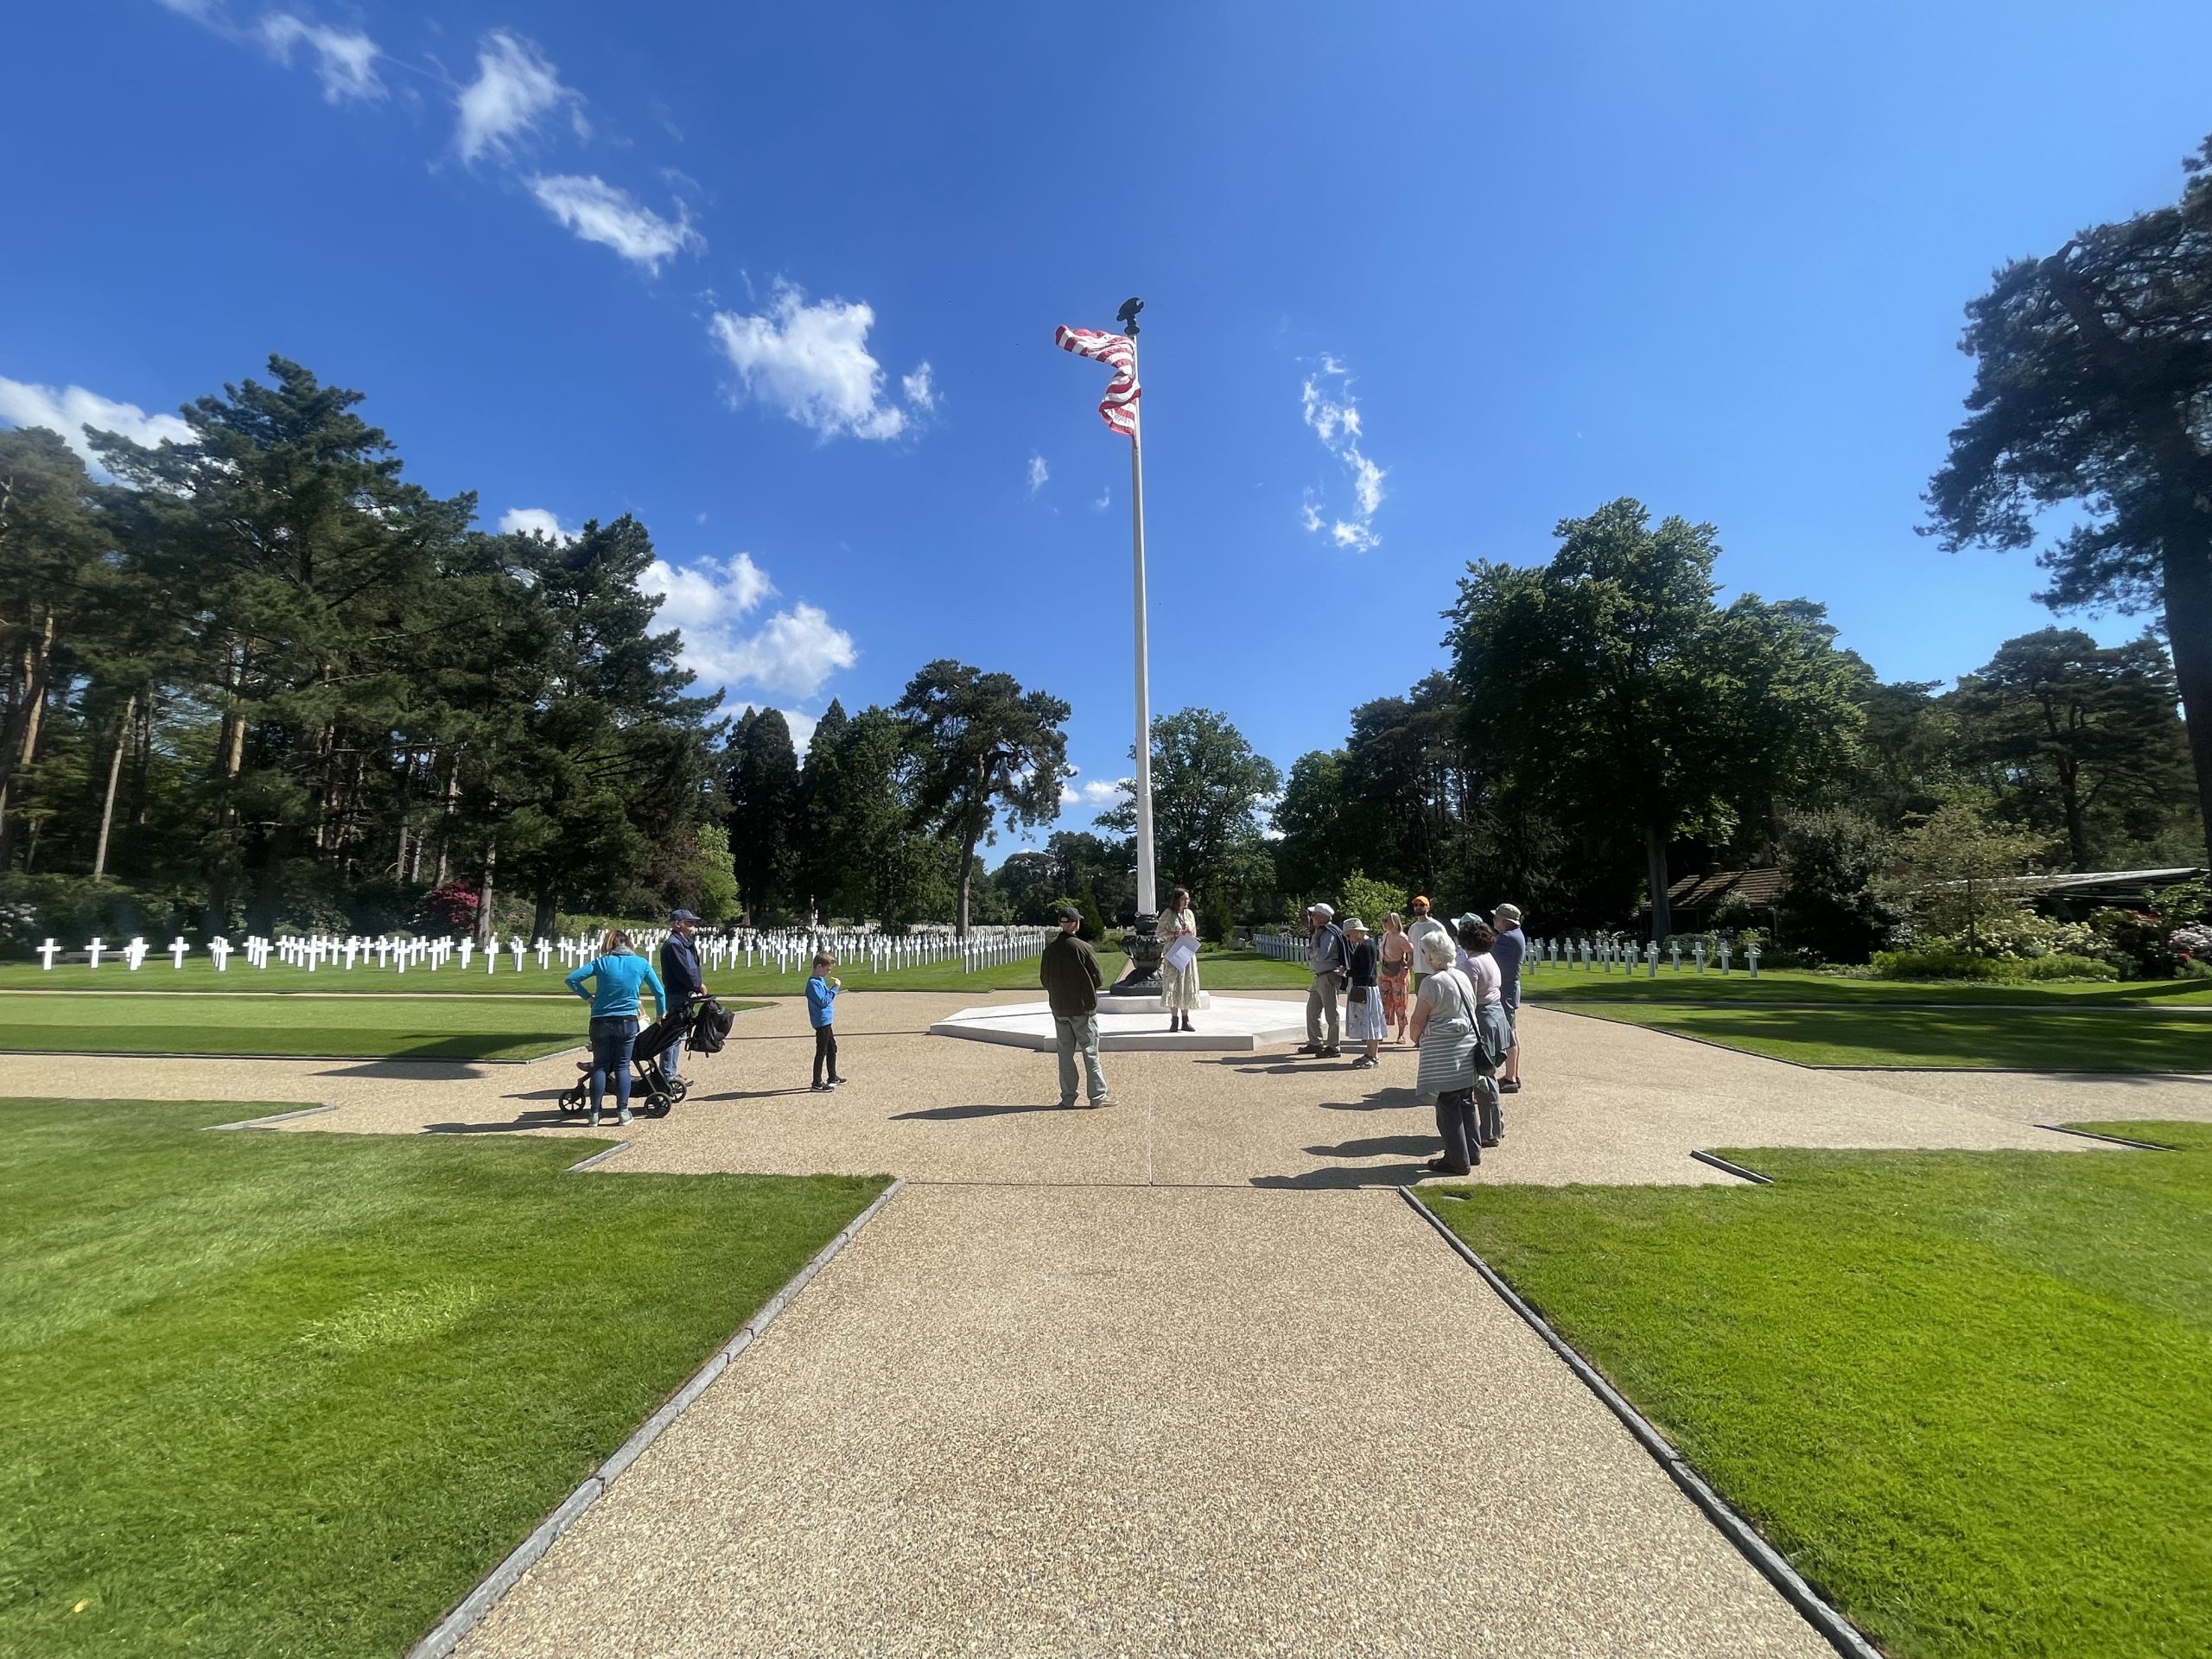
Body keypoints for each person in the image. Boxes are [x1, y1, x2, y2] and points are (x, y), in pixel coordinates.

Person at [563, 928, 667, 1128]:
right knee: (622, 1066)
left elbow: (572, 979)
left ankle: (594, 1113)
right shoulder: (641, 963)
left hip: (600, 1019)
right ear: (628, 944)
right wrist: (660, 1015)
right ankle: (622, 1111)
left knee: (600, 1065)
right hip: (627, 1020)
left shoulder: (601, 963)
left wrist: (589, 998)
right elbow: (659, 992)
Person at [1410, 931, 1481, 1174]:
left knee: (1447, 1106)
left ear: (1430, 957)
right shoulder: (1462, 976)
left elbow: (1418, 1020)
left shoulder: (1432, 983)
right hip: (1467, 1047)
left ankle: (1457, 1160)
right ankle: (1472, 1152)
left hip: (1445, 1053)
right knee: (1465, 1101)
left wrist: (1415, 1036)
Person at [1039, 904, 1111, 1108]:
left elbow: (1045, 979)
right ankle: (1097, 1096)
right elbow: (1098, 978)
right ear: (1076, 924)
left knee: (1065, 1055)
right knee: (1090, 1052)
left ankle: (1068, 1097)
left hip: (1060, 1008)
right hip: (1082, 1008)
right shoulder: (1083, 948)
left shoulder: (1050, 950)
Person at [1458, 917, 1512, 1148]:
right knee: (1488, 1074)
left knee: (1484, 1078)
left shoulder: (1472, 964)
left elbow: (1469, 997)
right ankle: (1497, 1123)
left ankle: (1490, 1132)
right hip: (1497, 1015)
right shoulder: (1489, 958)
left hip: (1483, 1017)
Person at [658, 909, 704, 1085]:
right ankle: (667, 1074)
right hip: (678, 993)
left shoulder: (683, 942)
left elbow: (693, 966)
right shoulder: (673, 945)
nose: (693, 927)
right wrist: (697, 984)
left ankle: (670, 1071)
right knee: (673, 1035)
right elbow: (684, 970)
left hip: (684, 993)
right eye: (689, 923)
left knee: (679, 1035)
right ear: (678, 924)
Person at [1303, 901, 1348, 1058]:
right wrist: (1314, 945)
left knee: (1331, 1012)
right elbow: (1310, 953)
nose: (1312, 917)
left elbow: (1322, 955)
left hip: (1328, 976)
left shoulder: (1328, 933)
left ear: (1321, 917)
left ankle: (1334, 1046)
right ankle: (1315, 1042)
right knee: (1312, 1010)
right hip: (1319, 976)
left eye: (1314, 914)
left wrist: (1315, 940)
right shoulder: (1321, 931)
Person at [1491, 902, 1527, 1093]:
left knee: (1509, 1033)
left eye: (1496, 918)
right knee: (1511, 1031)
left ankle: (1511, 1077)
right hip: (1508, 989)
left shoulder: (1507, 939)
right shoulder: (1512, 936)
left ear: (1505, 921)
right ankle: (1511, 1074)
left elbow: (1489, 956)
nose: (1494, 920)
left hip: (1505, 990)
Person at [1340, 918, 1385, 1068]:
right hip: (1365, 988)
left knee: (1371, 1023)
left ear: (1356, 932)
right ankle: (1369, 1053)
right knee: (1367, 1023)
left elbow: (1364, 971)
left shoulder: (1366, 946)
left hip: (1366, 988)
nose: (1348, 938)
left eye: (1349, 934)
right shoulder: (1365, 945)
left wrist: (1346, 972)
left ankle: (1373, 1056)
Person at [1162, 887, 1201, 1033]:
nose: (1187, 901)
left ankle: (1186, 1019)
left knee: (1186, 984)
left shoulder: (1189, 914)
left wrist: (1189, 933)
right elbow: (1160, 933)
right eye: (1184, 898)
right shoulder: (1168, 913)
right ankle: (1174, 1019)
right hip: (1173, 951)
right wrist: (1175, 933)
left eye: (1188, 898)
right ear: (1177, 900)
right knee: (1173, 984)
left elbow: (1194, 932)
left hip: (1187, 950)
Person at [805, 950, 844, 1091]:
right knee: (821, 1051)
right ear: (819, 967)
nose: (828, 973)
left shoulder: (820, 980)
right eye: (827, 969)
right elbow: (823, 1001)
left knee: (832, 1048)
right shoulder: (813, 984)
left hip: (826, 1019)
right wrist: (835, 988)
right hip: (821, 1021)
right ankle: (816, 1082)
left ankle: (832, 1076)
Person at [1378, 912, 1414, 1045]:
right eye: (1384, 920)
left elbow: (1412, 952)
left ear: (1394, 921)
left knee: (1400, 1003)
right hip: (1385, 971)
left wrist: (1407, 966)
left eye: (1387, 920)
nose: (1384, 922)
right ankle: (1380, 1032)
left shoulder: (1401, 937)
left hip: (1398, 973)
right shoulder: (1386, 936)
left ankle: (1401, 1034)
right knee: (1383, 1001)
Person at [1404, 897, 1448, 998]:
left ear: (1428, 908)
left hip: (1434, 970)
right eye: (1416, 905)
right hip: (1419, 971)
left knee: (1435, 999)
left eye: (1422, 905)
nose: (1418, 907)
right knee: (1420, 998)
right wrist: (1408, 964)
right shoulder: (1413, 928)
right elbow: (1413, 949)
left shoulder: (1436, 926)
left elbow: (1446, 947)